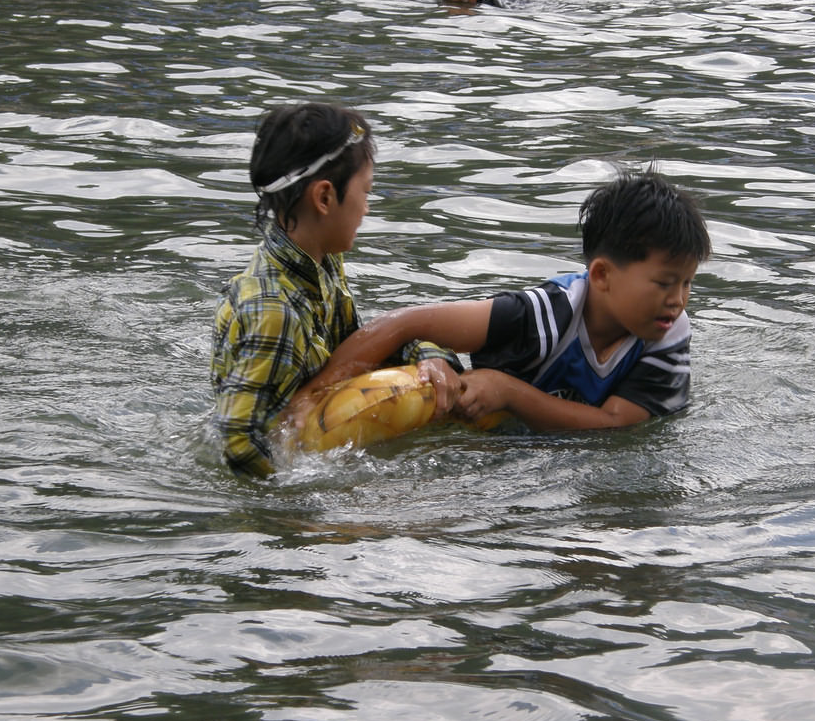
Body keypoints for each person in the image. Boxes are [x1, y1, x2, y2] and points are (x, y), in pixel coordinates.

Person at [304, 170, 712, 433]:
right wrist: (312, 398)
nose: (677, 301)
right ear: (602, 275)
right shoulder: (542, 314)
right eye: (663, 283)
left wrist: (508, 391)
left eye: (687, 284)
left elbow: (616, 423)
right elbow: (404, 322)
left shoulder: (668, 334)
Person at [210, 103, 462, 476]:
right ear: (325, 197)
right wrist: (299, 506)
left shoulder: (323, 261)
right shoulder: (272, 308)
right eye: (366, 191)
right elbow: (237, 440)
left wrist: (429, 355)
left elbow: (358, 348)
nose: (367, 208)